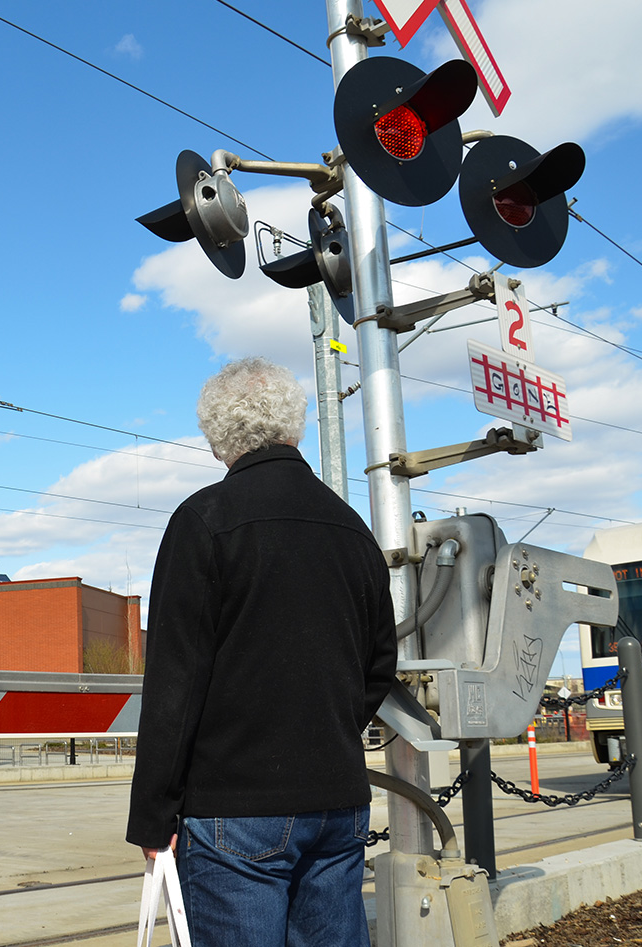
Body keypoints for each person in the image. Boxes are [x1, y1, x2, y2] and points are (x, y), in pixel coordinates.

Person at [126, 356, 397, 947]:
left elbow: (176, 680)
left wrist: (153, 813)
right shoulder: (353, 529)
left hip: (236, 807)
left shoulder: (204, 521)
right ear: (295, 426)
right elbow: (379, 666)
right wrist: (326, 728)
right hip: (339, 801)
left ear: (217, 438)